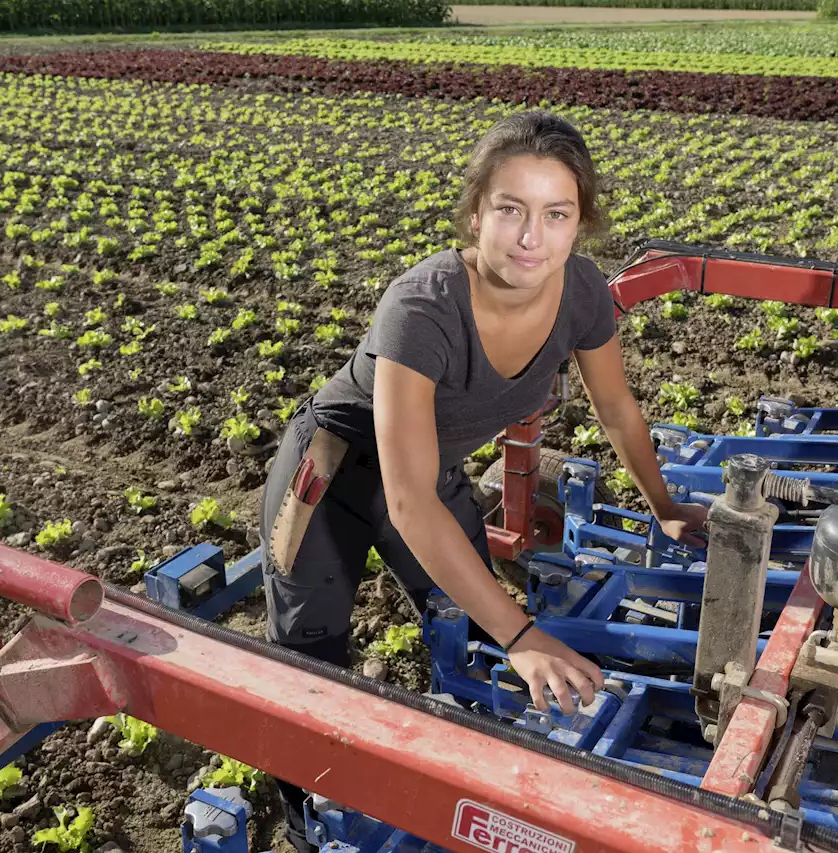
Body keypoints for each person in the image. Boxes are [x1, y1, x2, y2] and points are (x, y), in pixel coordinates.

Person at [258, 110, 707, 852]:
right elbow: (405, 500)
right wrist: (525, 636)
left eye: (556, 214)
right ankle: (312, 823)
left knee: (469, 620)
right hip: (334, 469)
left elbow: (617, 407)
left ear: (579, 225)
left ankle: (466, 762)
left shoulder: (583, 293)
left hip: (425, 470)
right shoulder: (424, 305)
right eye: (510, 209)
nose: (531, 237)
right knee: (310, 660)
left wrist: (664, 507)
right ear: (475, 215)